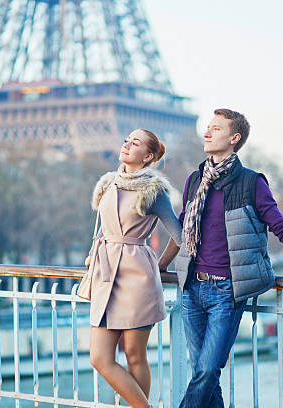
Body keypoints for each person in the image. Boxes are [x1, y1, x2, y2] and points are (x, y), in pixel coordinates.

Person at [158, 108, 283, 407]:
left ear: (234, 138)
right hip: (192, 290)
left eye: (216, 129)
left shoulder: (252, 183)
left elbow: (281, 226)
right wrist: (159, 266)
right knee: (205, 377)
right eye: (207, 128)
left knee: (207, 370)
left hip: (226, 291)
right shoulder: (194, 180)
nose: (207, 133)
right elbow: (183, 229)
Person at [84, 128, 182, 408]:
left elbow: (179, 236)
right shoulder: (108, 183)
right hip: (105, 275)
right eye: (127, 140)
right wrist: (94, 254)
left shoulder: (154, 190)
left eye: (135, 143)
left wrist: (160, 266)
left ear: (148, 156)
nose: (127, 144)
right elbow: (103, 227)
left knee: (134, 356)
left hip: (138, 277)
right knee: (100, 357)